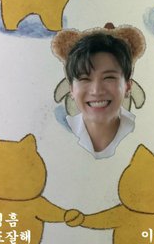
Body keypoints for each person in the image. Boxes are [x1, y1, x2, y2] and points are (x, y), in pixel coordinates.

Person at [52, 24, 146, 159]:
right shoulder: (55, 136)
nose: (96, 91)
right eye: (85, 79)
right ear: (71, 90)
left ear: (128, 86)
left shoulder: (145, 134)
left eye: (109, 78)